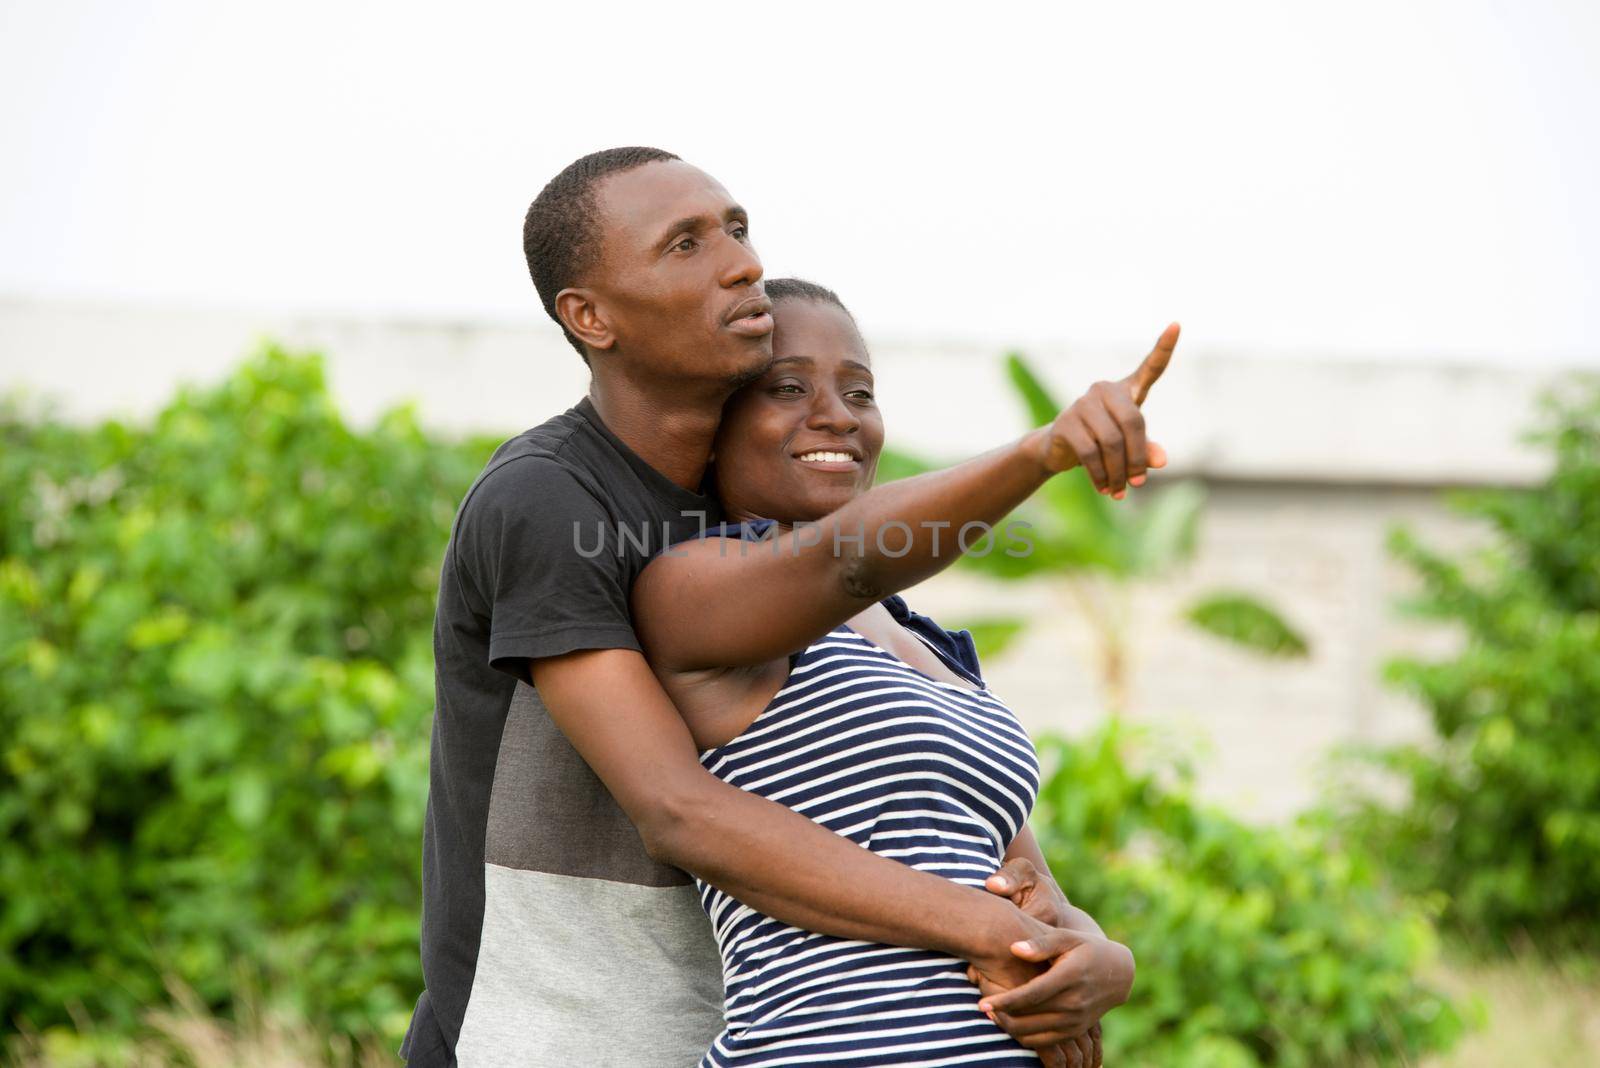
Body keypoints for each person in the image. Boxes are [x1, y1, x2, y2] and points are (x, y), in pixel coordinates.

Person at [403, 147, 1154, 1067]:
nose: (740, 261)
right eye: (685, 244)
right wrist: (997, 938)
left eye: (738, 228)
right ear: (590, 316)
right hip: (548, 1036)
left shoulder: (761, 545)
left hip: (712, 1030)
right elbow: (679, 809)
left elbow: (993, 854)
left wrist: (1095, 958)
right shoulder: (552, 499)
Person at [631, 279, 1169, 1065]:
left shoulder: (933, 647)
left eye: (860, 392)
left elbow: (1011, 876)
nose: (839, 415)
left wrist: (1099, 957)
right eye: (788, 387)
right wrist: (1041, 452)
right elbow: (844, 563)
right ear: (714, 425)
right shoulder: (693, 586)